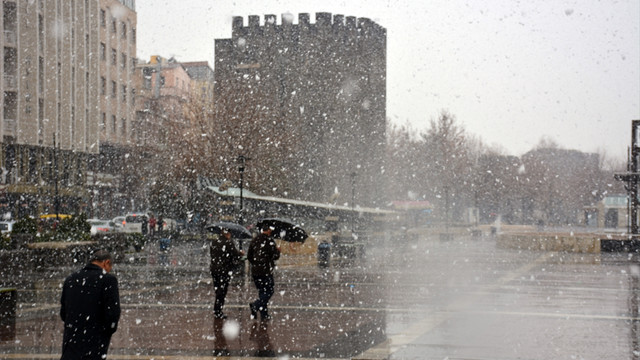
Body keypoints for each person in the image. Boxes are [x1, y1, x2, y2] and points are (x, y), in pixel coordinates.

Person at [59, 249, 120, 360]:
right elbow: (112, 313)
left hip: (72, 338)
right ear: (106, 263)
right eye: (109, 267)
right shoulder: (108, 280)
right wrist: (107, 331)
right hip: (95, 340)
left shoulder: (71, 279)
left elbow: (63, 312)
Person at [210, 228, 244, 319]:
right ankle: (218, 310)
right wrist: (240, 254)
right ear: (228, 233)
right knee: (222, 291)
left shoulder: (214, 242)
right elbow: (234, 256)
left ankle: (217, 309)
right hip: (224, 270)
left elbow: (213, 255)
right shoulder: (228, 243)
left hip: (214, 269)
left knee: (218, 290)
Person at [247, 226, 280, 320]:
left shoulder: (255, 240)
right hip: (266, 271)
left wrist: (256, 264)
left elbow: (249, 256)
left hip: (256, 271)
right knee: (269, 291)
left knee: (262, 292)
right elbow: (275, 256)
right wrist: (278, 251)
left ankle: (264, 314)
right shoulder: (270, 241)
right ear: (268, 231)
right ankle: (256, 305)